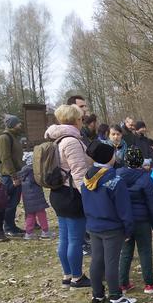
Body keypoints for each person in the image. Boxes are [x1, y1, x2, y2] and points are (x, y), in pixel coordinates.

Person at [82, 140, 136, 303]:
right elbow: (124, 208)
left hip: (93, 225)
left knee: (97, 260)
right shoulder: (115, 180)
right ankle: (115, 296)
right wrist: (128, 229)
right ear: (108, 157)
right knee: (112, 262)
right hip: (112, 228)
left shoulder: (86, 178)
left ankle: (97, 295)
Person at [45, 104, 93, 289]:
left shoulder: (56, 139)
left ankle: (67, 275)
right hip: (72, 194)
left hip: (58, 193)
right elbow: (79, 173)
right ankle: (77, 277)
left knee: (64, 237)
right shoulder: (71, 141)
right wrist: (88, 197)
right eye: (81, 119)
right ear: (76, 120)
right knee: (74, 238)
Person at [118, 148, 153, 294]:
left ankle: (123, 283)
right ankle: (149, 283)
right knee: (145, 251)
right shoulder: (146, 178)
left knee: (126, 252)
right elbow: (152, 203)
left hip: (124, 220)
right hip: (142, 221)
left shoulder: (117, 175)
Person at [0, 114, 24, 237]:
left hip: (16, 173)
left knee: (14, 202)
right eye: (18, 123)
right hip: (8, 176)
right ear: (12, 124)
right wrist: (13, 176)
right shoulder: (4, 137)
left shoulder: (14, 137)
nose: (20, 125)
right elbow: (5, 158)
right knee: (8, 203)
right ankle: (7, 227)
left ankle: (11, 225)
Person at [19, 152, 53, 240]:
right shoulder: (33, 171)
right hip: (36, 197)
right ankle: (45, 231)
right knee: (41, 214)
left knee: (30, 215)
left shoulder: (23, 172)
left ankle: (28, 233)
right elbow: (38, 181)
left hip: (27, 198)